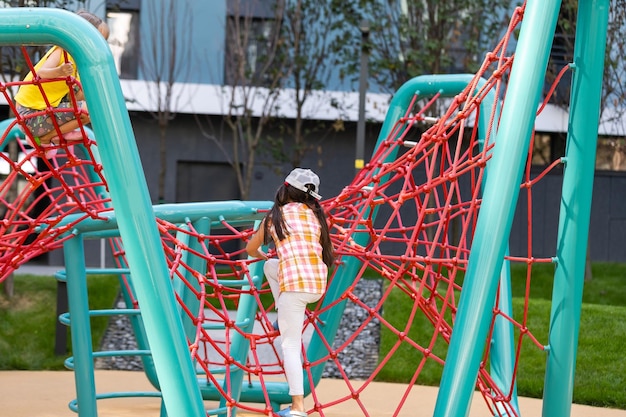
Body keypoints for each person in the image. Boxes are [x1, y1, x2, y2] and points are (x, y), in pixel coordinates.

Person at [246, 168, 334, 417]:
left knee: (290, 346)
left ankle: (297, 408)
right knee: (271, 266)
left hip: (295, 289)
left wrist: (261, 252)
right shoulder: (316, 216)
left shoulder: (276, 216)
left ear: (285, 190)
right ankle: (281, 312)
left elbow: (251, 248)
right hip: (316, 284)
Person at [14, 10, 110, 157]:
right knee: (86, 110)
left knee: (87, 103)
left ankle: (62, 133)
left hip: (43, 111)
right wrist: (59, 71)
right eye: (96, 40)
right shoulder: (62, 52)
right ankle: (47, 137)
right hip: (29, 115)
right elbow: (41, 73)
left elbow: (77, 95)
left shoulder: (78, 66)